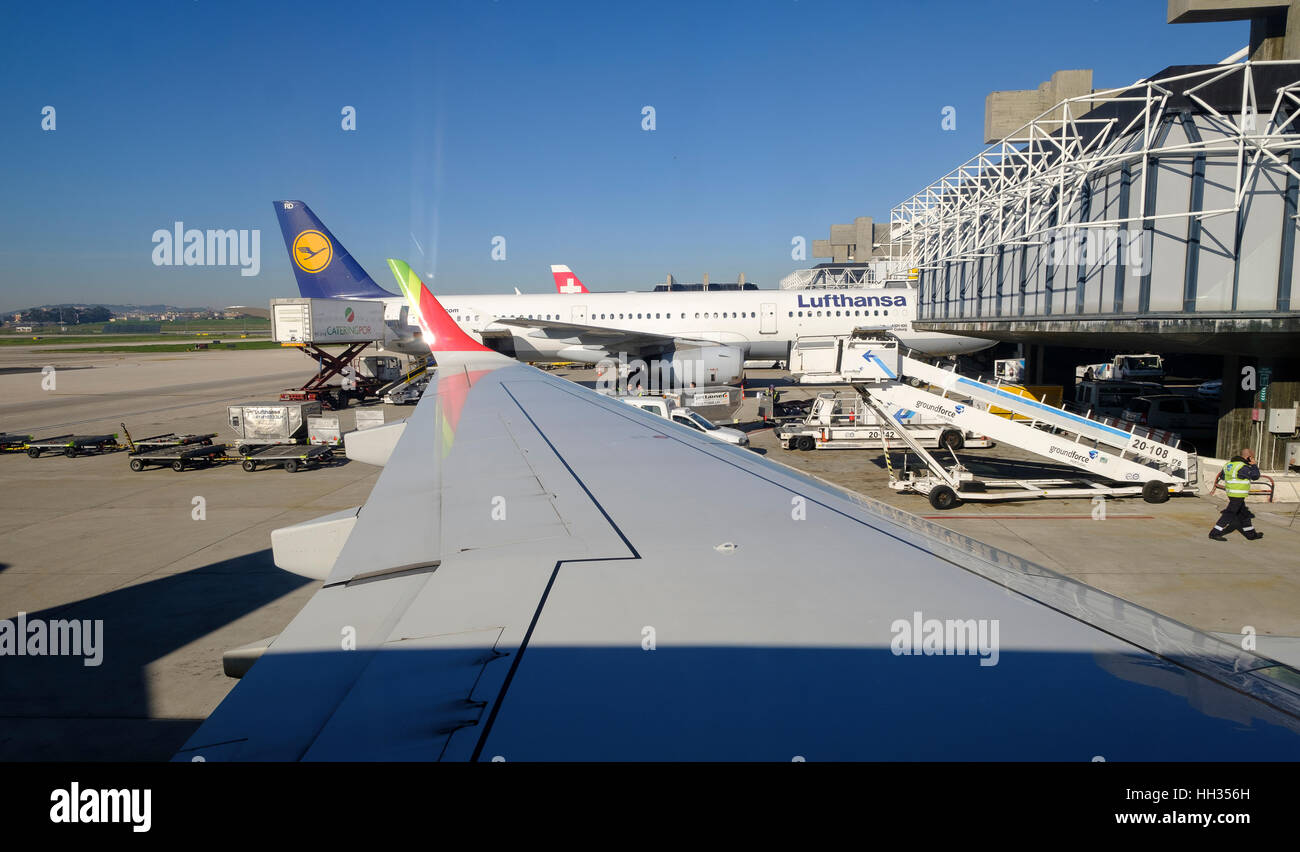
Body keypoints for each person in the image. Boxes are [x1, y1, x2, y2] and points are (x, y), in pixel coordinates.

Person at [1209, 448, 1263, 541]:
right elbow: (1255, 476)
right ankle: (1214, 533)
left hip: (1231, 492)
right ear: (1249, 457)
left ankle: (1251, 535)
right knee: (1229, 514)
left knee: (1244, 514)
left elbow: (1222, 476)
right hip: (1238, 494)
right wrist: (1254, 465)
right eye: (1252, 457)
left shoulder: (1229, 465)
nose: (1253, 459)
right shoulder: (1242, 467)